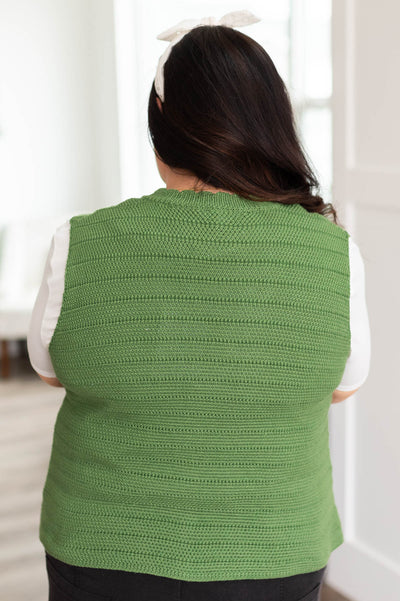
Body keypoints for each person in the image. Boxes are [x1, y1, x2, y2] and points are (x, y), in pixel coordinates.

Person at [27, 10, 371, 601]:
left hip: (103, 551)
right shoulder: (334, 253)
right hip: (275, 551)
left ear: (161, 120)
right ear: (270, 121)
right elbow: (343, 383)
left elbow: (50, 367)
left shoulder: (78, 242)